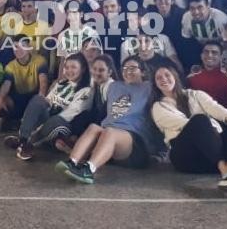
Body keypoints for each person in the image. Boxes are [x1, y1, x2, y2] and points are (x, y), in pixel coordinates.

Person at [151, 62, 227, 196]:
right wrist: (210, 126)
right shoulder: (158, 107)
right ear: (155, 83)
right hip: (186, 157)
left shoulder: (195, 95)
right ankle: (226, 173)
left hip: (211, 154)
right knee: (199, 120)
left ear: (175, 76)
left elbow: (214, 107)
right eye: (158, 78)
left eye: (167, 75)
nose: (163, 79)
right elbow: (188, 125)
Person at [56, 56, 162, 184]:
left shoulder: (149, 88)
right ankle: (72, 162)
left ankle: (89, 170)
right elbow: (103, 112)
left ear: (143, 72)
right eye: (125, 68)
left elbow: (168, 84)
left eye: (133, 68)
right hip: (108, 137)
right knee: (94, 127)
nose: (128, 71)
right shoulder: (114, 86)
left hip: (135, 143)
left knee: (110, 132)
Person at [5, 53, 92, 160]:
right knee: (38, 99)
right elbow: (47, 100)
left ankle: (29, 145)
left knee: (56, 121)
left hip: (64, 124)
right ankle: (23, 139)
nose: (69, 70)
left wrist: (48, 118)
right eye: (67, 67)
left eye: (74, 67)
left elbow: (72, 112)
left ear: (83, 69)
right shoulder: (61, 83)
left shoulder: (86, 90)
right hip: (48, 117)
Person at [0, 35, 49, 131]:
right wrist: (0, 99)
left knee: (39, 103)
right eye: (16, 47)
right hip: (19, 97)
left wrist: (39, 100)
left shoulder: (40, 61)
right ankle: (13, 121)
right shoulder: (10, 66)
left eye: (22, 46)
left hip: (34, 96)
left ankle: (14, 123)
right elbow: (6, 84)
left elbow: (43, 83)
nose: (18, 50)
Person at [187, 41, 227, 114]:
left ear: (221, 57)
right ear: (201, 56)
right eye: (206, 52)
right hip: (196, 119)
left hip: (223, 120)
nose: (210, 55)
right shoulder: (191, 78)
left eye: (214, 52)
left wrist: (223, 117)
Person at [180, 0, 227, 68]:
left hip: (221, 49)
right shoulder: (186, 17)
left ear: (208, 6)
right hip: (200, 49)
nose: (196, 12)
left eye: (200, 7)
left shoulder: (221, 19)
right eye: (192, 8)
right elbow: (187, 41)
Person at [55, 4, 98, 77]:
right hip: (68, 76)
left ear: (81, 14)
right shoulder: (62, 35)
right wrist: (60, 78)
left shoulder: (92, 33)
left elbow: (96, 58)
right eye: (68, 13)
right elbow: (62, 60)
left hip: (86, 75)